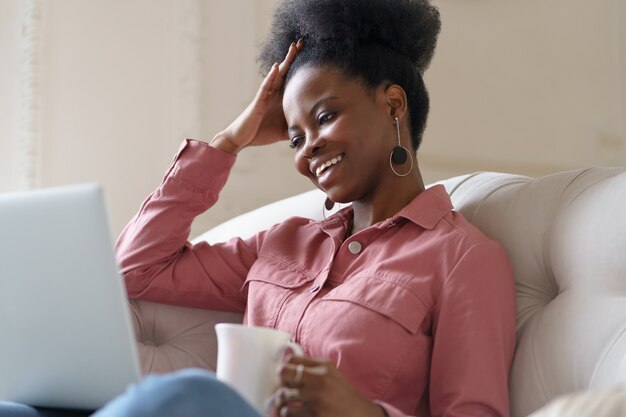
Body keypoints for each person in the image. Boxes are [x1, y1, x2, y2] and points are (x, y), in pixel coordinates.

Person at [101, 0, 517, 416]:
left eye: (326, 115)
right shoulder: (285, 242)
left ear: (392, 104)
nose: (309, 148)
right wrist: (230, 140)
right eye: (295, 138)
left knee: (181, 395)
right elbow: (135, 269)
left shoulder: (461, 258)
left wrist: (362, 411)